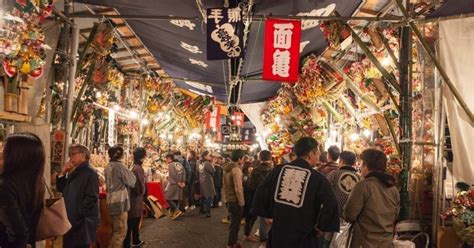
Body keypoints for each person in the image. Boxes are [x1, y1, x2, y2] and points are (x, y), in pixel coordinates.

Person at [252, 137, 340, 248]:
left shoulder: (278, 170)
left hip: (279, 233)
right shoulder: (317, 178)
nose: (318, 157)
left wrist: (267, 214)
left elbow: (262, 190)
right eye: (317, 153)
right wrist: (321, 226)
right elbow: (331, 203)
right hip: (304, 236)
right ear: (311, 154)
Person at [344, 148, 400, 248]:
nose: (359, 167)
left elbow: (349, 215)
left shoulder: (363, 186)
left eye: (361, 164)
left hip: (364, 243)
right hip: (385, 243)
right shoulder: (393, 188)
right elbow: (395, 216)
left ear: (366, 165)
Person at [0, 133, 45, 247]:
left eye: (5, 146)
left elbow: (16, 227)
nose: (1, 150)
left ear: (15, 154)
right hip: (28, 242)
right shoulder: (36, 181)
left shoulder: (6, 185)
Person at [56, 144, 99, 248]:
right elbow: (61, 188)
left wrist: (78, 213)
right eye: (70, 154)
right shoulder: (75, 171)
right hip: (72, 220)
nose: (70, 157)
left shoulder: (90, 173)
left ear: (83, 155)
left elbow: (91, 198)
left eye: (73, 154)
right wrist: (63, 172)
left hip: (81, 223)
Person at [104, 146, 137, 248]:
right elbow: (132, 181)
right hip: (119, 202)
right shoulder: (119, 166)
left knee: (115, 231)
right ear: (121, 155)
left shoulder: (108, 166)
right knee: (120, 232)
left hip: (110, 200)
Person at [247, 150, 274, 247]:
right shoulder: (273, 170)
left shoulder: (255, 170)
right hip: (271, 198)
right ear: (270, 158)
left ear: (259, 158)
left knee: (262, 220)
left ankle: (263, 242)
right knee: (272, 220)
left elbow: (251, 186)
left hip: (259, 197)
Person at [124, 147, 147, 248]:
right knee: (132, 221)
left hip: (134, 197)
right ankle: (127, 243)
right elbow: (140, 184)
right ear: (143, 156)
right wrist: (143, 192)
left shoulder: (134, 167)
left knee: (135, 219)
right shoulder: (138, 168)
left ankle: (135, 240)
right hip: (135, 198)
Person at [223, 149, 246, 248]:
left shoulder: (226, 168)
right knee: (235, 224)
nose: (243, 160)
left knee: (234, 222)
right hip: (235, 200)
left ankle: (235, 241)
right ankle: (230, 244)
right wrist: (241, 202)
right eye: (243, 158)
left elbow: (224, 184)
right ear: (240, 158)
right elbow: (238, 188)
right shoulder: (236, 169)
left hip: (228, 198)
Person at [164, 153, 186, 220]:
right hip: (180, 184)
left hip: (174, 183)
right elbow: (184, 172)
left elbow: (173, 174)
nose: (166, 160)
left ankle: (176, 210)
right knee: (175, 198)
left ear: (169, 158)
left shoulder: (171, 164)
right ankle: (174, 213)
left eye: (166, 159)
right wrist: (183, 181)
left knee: (168, 198)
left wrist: (178, 182)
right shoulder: (179, 164)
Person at [199, 151, 216, 217]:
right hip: (208, 181)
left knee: (203, 196)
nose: (210, 156)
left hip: (202, 181)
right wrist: (213, 164)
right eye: (209, 155)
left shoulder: (200, 163)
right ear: (205, 156)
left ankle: (202, 209)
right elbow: (213, 171)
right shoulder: (207, 163)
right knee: (209, 196)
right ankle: (207, 212)